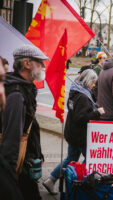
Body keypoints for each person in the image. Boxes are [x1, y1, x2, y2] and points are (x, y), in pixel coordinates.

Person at [43, 69, 105, 194]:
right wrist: (97, 113)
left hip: (72, 133)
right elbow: (80, 117)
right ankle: (79, 182)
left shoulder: (75, 92)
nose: (94, 85)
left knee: (70, 158)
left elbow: (76, 113)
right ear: (88, 81)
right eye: (93, 82)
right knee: (90, 159)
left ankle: (51, 179)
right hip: (80, 136)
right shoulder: (82, 96)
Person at [0, 45, 49, 200]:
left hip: (23, 163)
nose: (43, 66)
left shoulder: (25, 89)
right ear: (27, 64)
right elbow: (11, 141)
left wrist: (36, 151)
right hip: (15, 169)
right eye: (39, 62)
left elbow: (31, 125)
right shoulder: (17, 94)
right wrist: (10, 181)